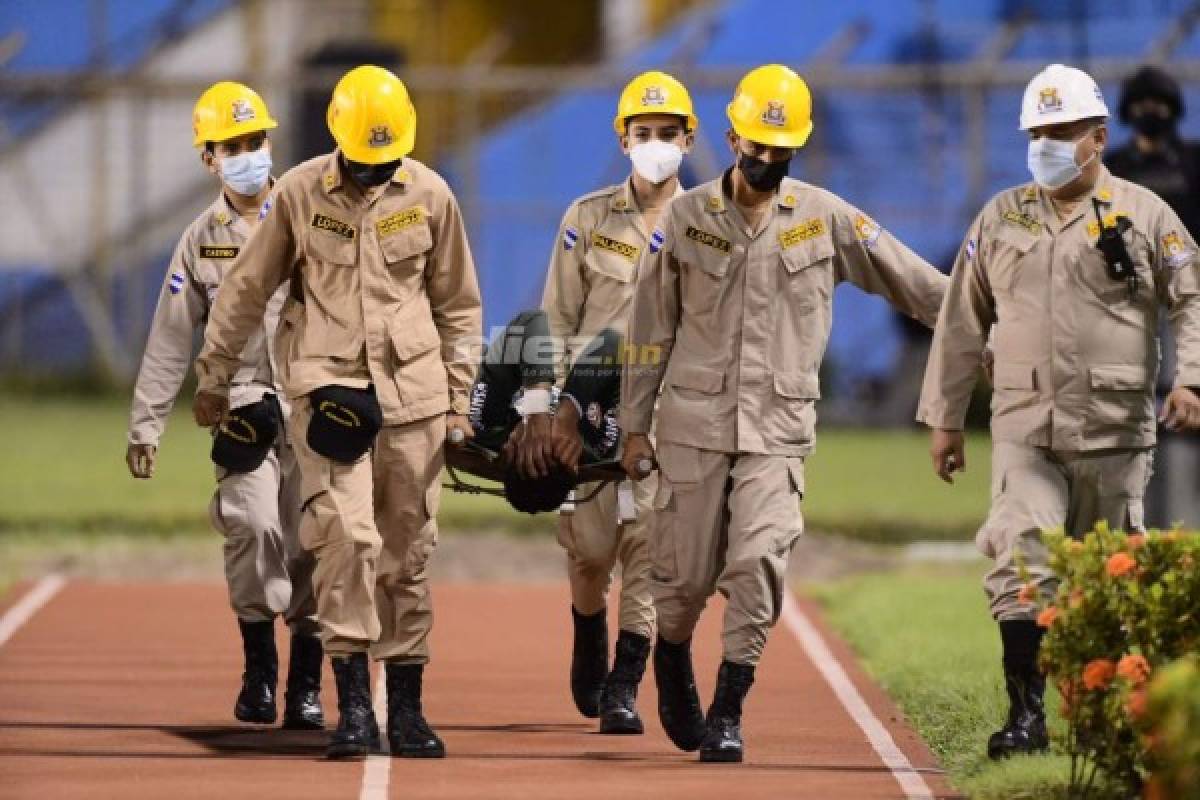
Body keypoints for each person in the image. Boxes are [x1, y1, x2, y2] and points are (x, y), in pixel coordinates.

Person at [619, 64, 948, 763]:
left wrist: (987, 315)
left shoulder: (825, 218)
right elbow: (650, 331)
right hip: (693, 429)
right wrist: (635, 426)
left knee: (760, 559)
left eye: (781, 150)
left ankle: (730, 708)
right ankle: (671, 651)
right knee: (681, 582)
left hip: (778, 431)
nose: (767, 161)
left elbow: (913, 281)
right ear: (734, 136)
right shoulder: (685, 220)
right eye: (756, 147)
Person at [192, 65, 482, 760]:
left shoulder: (433, 196)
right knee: (346, 541)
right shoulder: (296, 194)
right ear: (338, 140)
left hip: (414, 402)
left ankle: (406, 710)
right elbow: (244, 290)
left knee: (407, 555)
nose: (375, 171)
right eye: (364, 158)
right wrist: (214, 375)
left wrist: (459, 402)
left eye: (387, 159)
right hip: (327, 399)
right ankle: (354, 706)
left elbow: (460, 307)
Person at [918, 63, 1200, 760]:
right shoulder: (1000, 216)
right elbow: (961, 320)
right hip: (1024, 428)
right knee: (1023, 559)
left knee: (1107, 581)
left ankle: (1105, 717)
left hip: (1114, 433)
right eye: (1037, 131)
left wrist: (1190, 379)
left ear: (1098, 137)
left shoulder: (1146, 213)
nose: (1046, 143)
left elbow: (1190, 298)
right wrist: (947, 419)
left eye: (1061, 130)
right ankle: (1026, 716)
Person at [125, 81, 322, 731]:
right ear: (208, 157)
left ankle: (307, 684)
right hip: (242, 406)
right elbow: (171, 336)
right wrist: (146, 425)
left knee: (314, 543)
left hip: (314, 404)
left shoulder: (310, 216)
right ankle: (260, 670)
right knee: (250, 522)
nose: (247, 155)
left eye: (255, 141)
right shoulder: (198, 240)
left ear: (271, 141)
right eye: (231, 146)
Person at [541, 70, 695, 735]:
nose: (654, 144)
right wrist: (546, 409)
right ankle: (586, 628)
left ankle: (624, 684)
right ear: (623, 138)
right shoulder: (585, 218)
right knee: (590, 548)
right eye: (643, 133)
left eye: (667, 134)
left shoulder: (707, 226)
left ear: (688, 139)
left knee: (650, 547)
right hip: (588, 412)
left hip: (665, 413)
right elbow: (555, 321)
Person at [1106, 64, 1200, 529]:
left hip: (1187, 300)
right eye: (1144, 105)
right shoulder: (1114, 171)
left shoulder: (1193, 165)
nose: (1151, 113)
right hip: (1130, 303)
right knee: (1136, 411)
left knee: (1185, 403)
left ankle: (1184, 525)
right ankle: (1136, 524)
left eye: (1159, 104)